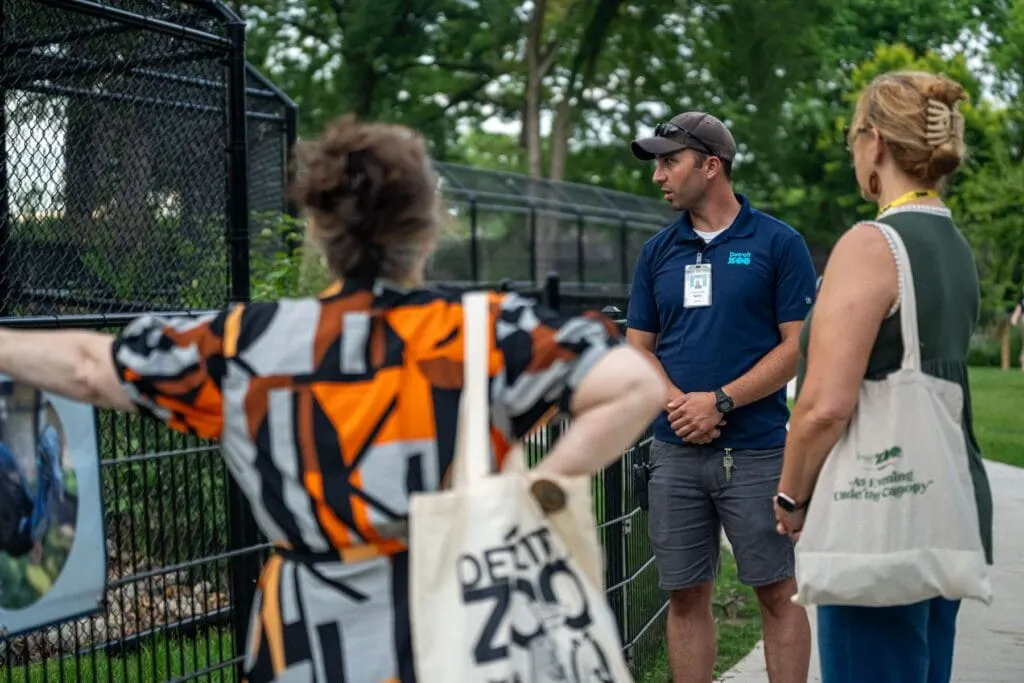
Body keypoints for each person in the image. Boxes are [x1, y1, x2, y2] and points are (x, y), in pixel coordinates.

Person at [0, 115, 667, 682]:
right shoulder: (483, 333)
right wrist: (539, 489)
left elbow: (87, 366)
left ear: (320, 231)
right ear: (427, 231)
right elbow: (634, 385)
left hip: (305, 640)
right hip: (463, 625)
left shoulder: (244, 346)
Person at [774, 70, 994, 683]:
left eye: (854, 140)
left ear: (874, 143)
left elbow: (824, 404)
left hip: (877, 512)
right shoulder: (951, 243)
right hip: (941, 499)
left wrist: (792, 495)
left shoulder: (872, 245)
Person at [627, 111, 816, 683]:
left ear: (711, 166)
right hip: (675, 452)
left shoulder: (778, 243)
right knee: (685, 595)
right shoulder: (658, 251)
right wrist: (681, 406)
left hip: (758, 452)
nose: (658, 176)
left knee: (778, 592)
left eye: (669, 162)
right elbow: (638, 348)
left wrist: (722, 401)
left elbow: (798, 344)